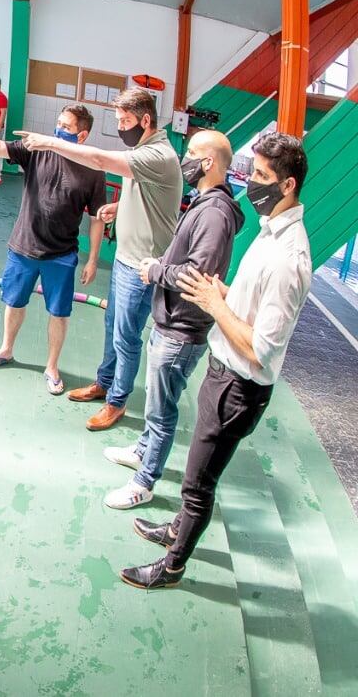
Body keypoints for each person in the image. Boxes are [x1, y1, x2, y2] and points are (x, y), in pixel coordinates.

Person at [121, 132, 310, 589]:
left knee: (198, 484)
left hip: (238, 388)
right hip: (222, 372)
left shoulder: (289, 258)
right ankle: (176, 531)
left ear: (287, 185)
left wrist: (213, 302)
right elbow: (251, 309)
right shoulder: (270, 234)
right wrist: (227, 296)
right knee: (194, 470)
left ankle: (173, 566)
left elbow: (261, 349)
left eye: (263, 177)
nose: (252, 184)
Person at [20, 87, 183, 431]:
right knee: (112, 328)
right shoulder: (144, 148)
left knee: (126, 336)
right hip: (126, 258)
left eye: (125, 121)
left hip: (143, 265)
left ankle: (117, 401)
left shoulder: (159, 155)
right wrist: (118, 207)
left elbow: (97, 160)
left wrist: (49, 142)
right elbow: (152, 199)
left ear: (146, 120)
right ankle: (104, 383)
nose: (121, 128)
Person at [101, 131, 243, 509]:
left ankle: (143, 482)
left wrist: (156, 270)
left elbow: (198, 274)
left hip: (182, 328)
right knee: (154, 401)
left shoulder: (214, 213)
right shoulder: (203, 203)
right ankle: (143, 450)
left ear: (209, 162)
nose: (187, 159)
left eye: (193, 153)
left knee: (161, 410)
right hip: (171, 320)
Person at [0, 104, 105, 394]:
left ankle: (51, 366)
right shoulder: (37, 149)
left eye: (67, 127)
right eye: (59, 122)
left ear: (82, 135)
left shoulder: (93, 170)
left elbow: (97, 218)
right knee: (14, 302)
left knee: (59, 313)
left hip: (62, 255)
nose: (59, 129)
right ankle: (6, 349)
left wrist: (92, 259)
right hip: (24, 246)